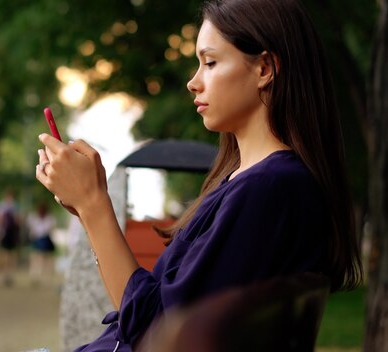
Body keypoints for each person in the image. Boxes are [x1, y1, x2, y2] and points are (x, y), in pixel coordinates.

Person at [35, 0, 363, 350]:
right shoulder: (254, 182)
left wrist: (93, 205)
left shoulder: (268, 189)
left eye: (210, 62)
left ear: (265, 68)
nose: (193, 82)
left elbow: (155, 335)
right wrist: (88, 207)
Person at [0, 190, 21, 287]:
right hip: (3, 234)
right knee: (3, 254)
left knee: (11, 255)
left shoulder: (15, 208)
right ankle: (4, 274)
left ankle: (8, 274)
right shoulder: (1, 207)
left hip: (11, 234)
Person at [26, 202, 57, 287]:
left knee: (45, 259)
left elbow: (49, 230)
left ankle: (45, 277)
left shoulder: (49, 218)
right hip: (38, 240)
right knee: (37, 259)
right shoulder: (34, 218)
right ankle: (35, 276)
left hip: (45, 240)